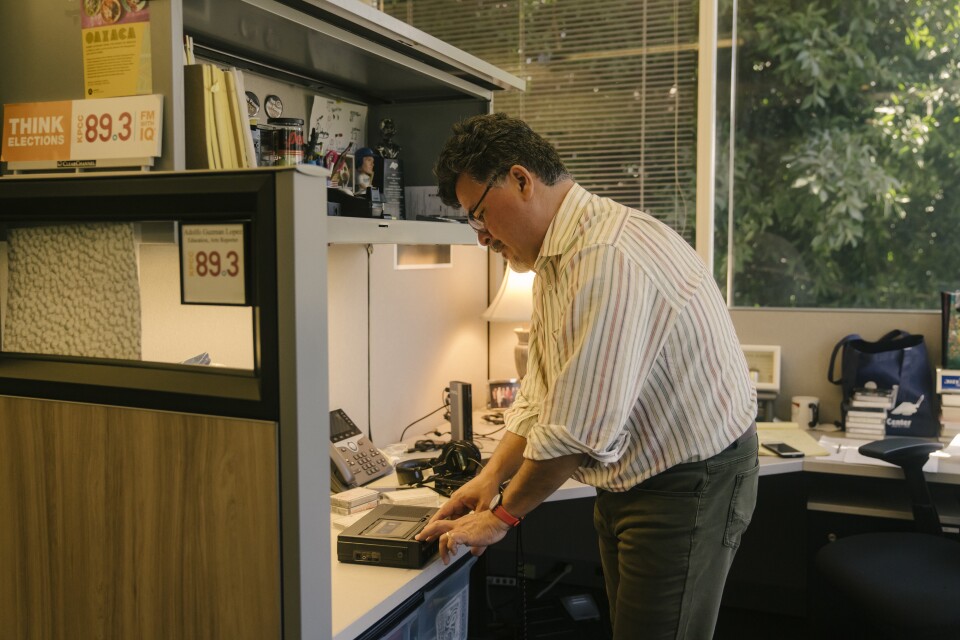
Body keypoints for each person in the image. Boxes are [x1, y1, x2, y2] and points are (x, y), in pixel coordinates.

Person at [416, 113, 759, 639]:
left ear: (521, 180)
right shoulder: (557, 258)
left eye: (480, 214)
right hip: (635, 476)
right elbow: (544, 392)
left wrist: (501, 517)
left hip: (690, 479)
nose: (482, 237)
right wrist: (490, 478)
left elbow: (578, 429)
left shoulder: (604, 257)